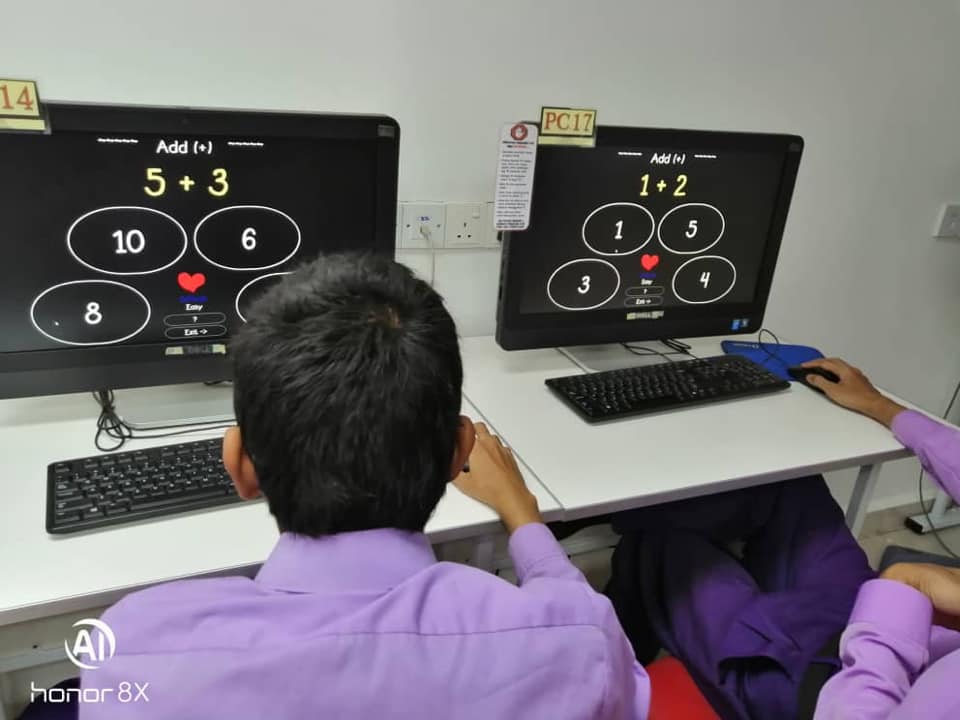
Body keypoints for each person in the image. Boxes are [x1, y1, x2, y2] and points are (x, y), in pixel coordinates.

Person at [70, 254, 649, 719]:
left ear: (240, 465)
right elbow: (584, 633)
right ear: (458, 454)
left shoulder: (131, 647)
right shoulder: (577, 644)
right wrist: (522, 515)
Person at [805, 358, 960, 719]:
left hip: (849, 684)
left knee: (683, 555)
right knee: (795, 494)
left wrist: (898, 593)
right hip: (901, 638)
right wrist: (878, 405)